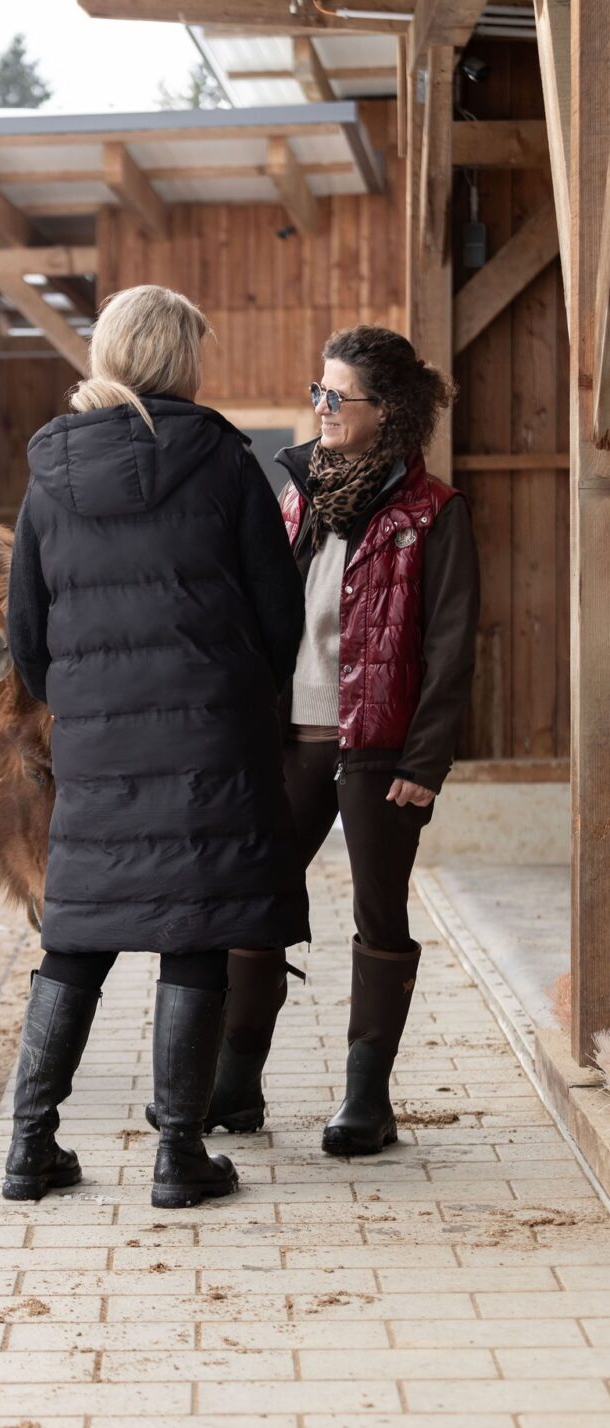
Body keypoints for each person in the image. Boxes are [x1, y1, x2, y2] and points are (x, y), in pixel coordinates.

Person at [2, 284, 310, 1210]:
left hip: (97, 746)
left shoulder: (48, 475)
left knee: (77, 934)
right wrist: (238, 696)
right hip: (210, 740)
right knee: (195, 928)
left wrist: (86, 707)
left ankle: (29, 1149)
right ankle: (178, 1155)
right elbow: (278, 612)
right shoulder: (220, 460)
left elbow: (27, 634)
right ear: (180, 359)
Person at [190, 324, 480, 1158]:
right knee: (254, 902)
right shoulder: (297, 497)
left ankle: (365, 1099)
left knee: (377, 915)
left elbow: (451, 648)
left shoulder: (433, 514)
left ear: (384, 410)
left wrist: (425, 761)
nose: (319, 406)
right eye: (317, 390)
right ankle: (235, 1084)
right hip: (287, 741)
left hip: (380, 749)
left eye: (335, 395)